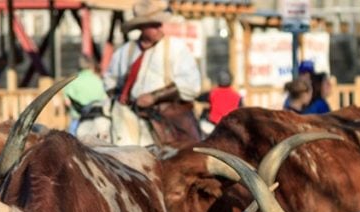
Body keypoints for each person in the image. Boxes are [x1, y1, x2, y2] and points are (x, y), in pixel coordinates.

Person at [103, 0, 202, 146]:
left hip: (169, 118)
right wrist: (121, 97)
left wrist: (154, 97)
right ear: (142, 27)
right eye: (154, 25)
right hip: (131, 115)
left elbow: (192, 86)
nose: (159, 28)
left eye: (159, 24)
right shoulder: (125, 51)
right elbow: (109, 80)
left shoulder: (176, 48)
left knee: (189, 156)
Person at [63, 54, 109, 135]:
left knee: (71, 144)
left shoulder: (71, 82)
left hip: (79, 120)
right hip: (98, 120)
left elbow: (67, 102)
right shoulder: (98, 80)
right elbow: (105, 100)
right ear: (91, 66)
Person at [197, 69, 242, 134]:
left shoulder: (212, 93)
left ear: (218, 81)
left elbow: (198, 98)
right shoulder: (237, 96)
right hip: (231, 127)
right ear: (231, 81)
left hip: (213, 126)